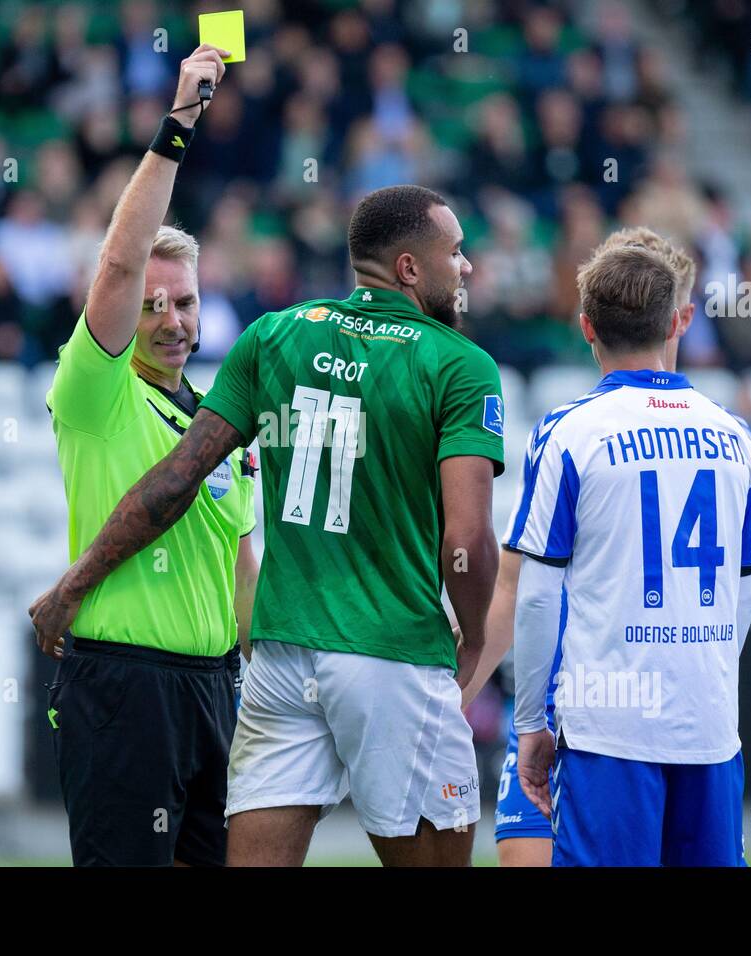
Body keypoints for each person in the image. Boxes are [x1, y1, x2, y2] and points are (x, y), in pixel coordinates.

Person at [30, 184, 504, 866]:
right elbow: (467, 541)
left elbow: (176, 478)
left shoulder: (274, 334)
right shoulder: (460, 364)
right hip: (391, 651)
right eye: (455, 252)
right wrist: (476, 636)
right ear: (407, 269)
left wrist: (71, 585)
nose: (465, 266)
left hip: (282, 661)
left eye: (185, 302)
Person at [33, 46, 259, 868]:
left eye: (187, 301)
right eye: (154, 303)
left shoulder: (216, 421)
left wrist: (261, 673)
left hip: (214, 692)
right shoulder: (97, 388)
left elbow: (240, 562)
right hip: (124, 689)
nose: (170, 319)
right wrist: (179, 124)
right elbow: (121, 261)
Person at [509, 244, 751, 866]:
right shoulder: (734, 435)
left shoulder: (568, 431)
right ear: (678, 320)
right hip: (707, 722)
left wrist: (529, 724)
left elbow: (539, 594)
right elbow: (746, 588)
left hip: (608, 725)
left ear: (586, 326)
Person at [466, 226, 699, 867]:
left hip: (647, 712)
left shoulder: (706, 436)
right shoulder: (585, 435)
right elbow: (516, 586)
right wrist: (454, 700)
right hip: (581, 710)